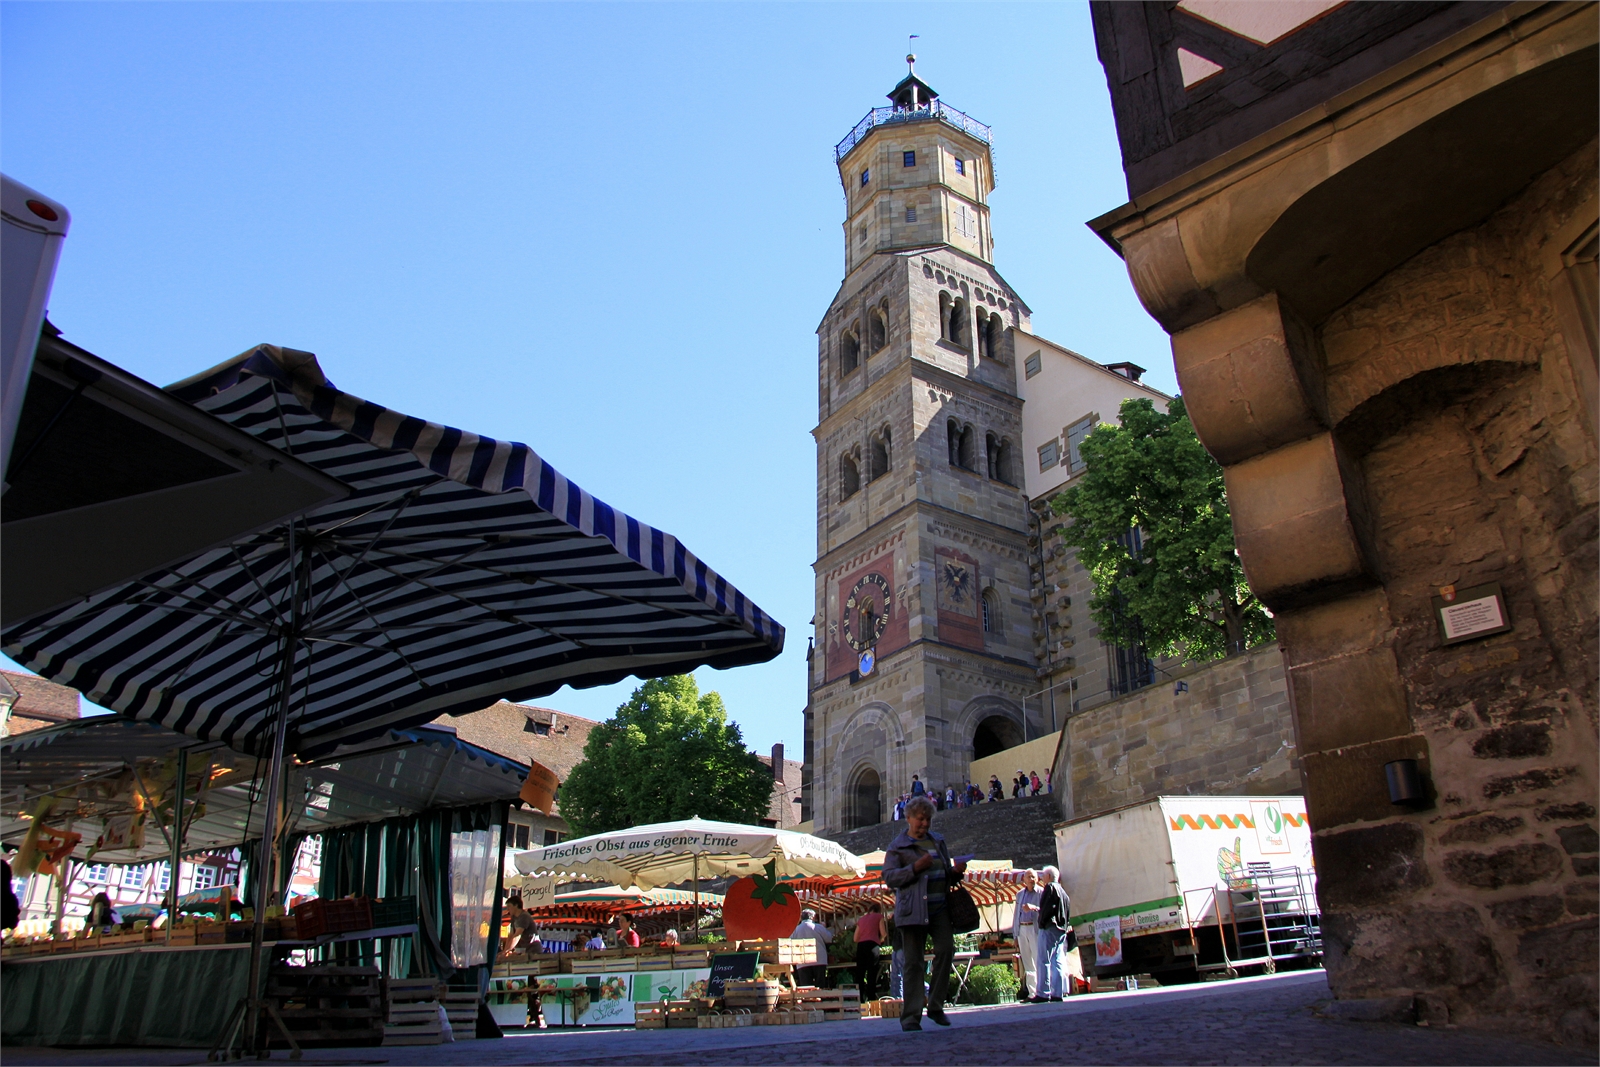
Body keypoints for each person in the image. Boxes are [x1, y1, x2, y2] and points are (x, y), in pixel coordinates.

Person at [883, 794, 967, 1032]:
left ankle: (936, 1006)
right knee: (913, 964)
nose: (925, 824)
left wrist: (956, 872)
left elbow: (945, 873)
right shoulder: (898, 847)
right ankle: (910, 1017)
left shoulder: (937, 841)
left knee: (946, 950)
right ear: (908, 818)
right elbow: (889, 877)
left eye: (928, 819)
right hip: (912, 911)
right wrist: (914, 868)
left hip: (940, 908)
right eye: (921, 819)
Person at [1032, 865, 1070, 1002]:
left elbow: (1046, 909)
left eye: (1043, 875)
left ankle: (1043, 992)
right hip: (1061, 930)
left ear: (1048, 876)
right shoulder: (1064, 893)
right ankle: (1057, 992)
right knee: (1057, 961)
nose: (1041, 878)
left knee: (1043, 960)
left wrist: (1042, 922)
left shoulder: (1050, 888)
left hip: (1049, 928)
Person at [1011, 869, 1041, 1001]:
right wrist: (1015, 934)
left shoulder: (1041, 892)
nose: (1031, 879)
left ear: (1037, 879)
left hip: (1034, 928)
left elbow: (1045, 910)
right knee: (1027, 962)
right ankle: (1031, 992)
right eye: (1028, 877)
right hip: (1022, 928)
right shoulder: (1020, 894)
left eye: (1033, 877)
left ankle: (1042, 991)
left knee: (1037, 959)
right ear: (1024, 879)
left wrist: (1034, 908)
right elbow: (1016, 913)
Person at [789, 908, 832, 987]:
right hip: (819, 959)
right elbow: (829, 938)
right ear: (813, 917)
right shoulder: (818, 927)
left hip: (802, 961)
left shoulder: (795, 930)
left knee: (806, 987)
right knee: (820, 985)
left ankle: (808, 999)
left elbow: (789, 942)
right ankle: (820, 998)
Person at [853, 903, 885, 1001]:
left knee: (860, 974)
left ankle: (860, 1000)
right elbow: (883, 933)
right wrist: (880, 939)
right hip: (872, 945)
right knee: (872, 973)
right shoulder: (879, 917)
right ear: (878, 910)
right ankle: (871, 1000)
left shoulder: (861, 919)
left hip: (861, 946)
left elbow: (855, 938)